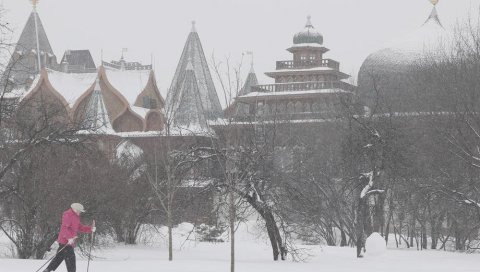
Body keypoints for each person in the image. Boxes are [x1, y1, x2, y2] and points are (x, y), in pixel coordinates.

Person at [43, 203, 95, 272]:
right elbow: (65, 228)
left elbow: (80, 227)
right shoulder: (68, 215)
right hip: (65, 242)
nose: (80, 212)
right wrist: (69, 238)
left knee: (59, 258)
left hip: (69, 242)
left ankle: (48, 270)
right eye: (79, 211)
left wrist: (90, 229)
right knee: (71, 260)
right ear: (75, 209)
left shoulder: (76, 216)